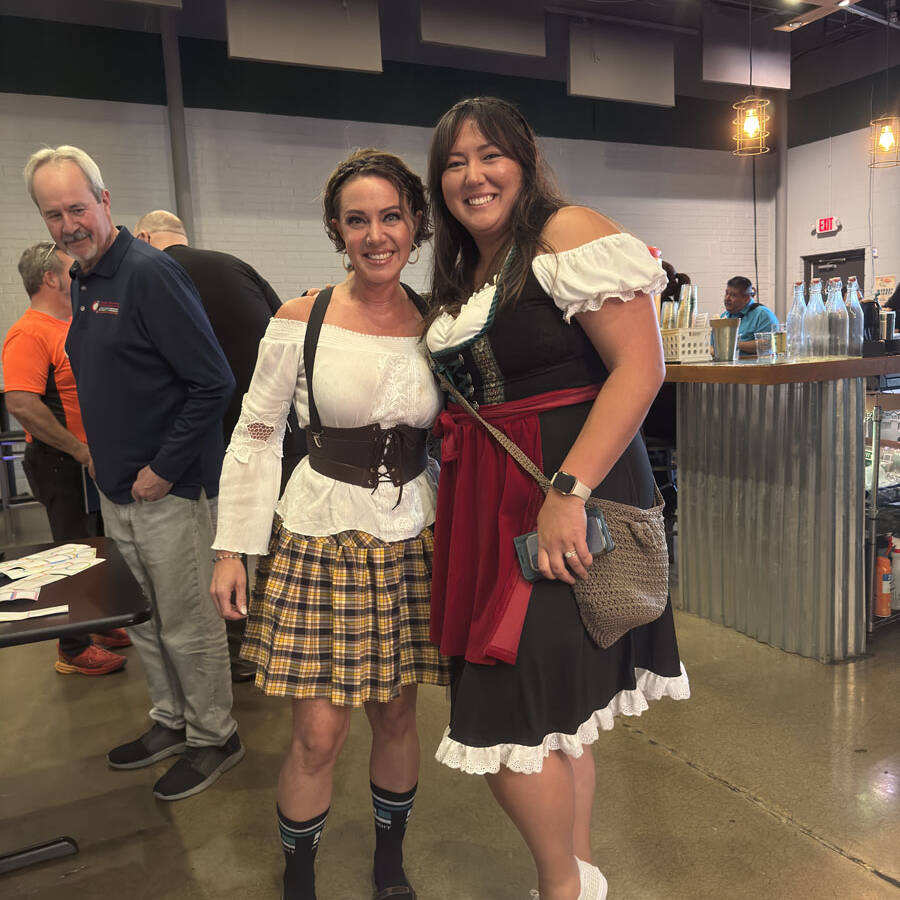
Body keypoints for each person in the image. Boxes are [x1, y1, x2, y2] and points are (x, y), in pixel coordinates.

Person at [424, 97, 690, 900]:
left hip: (562, 492)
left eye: (490, 155)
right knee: (554, 711)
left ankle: (561, 888)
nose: (473, 176)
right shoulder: (468, 269)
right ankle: (578, 877)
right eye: (455, 162)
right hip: (489, 503)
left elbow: (642, 371)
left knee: (508, 717)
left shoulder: (566, 231)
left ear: (525, 159)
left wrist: (568, 493)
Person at [210, 149, 450, 900]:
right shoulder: (300, 317)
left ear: (416, 223)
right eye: (357, 220)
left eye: (390, 217)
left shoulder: (439, 322)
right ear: (337, 231)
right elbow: (253, 433)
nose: (376, 234)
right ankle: (300, 878)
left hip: (413, 533)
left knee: (398, 715)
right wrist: (231, 550)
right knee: (318, 734)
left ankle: (389, 864)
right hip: (319, 536)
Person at [24, 145, 243, 801]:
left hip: (169, 492)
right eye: (53, 213)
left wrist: (162, 468)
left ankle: (214, 735)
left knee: (187, 624)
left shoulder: (149, 274)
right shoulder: (84, 279)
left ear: (104, 202)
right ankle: (170, 721)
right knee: (144, 621)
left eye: (78, 208)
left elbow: (213, 383)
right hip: (118, 491)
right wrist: (99, 459)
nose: (68, 224)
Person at [134, 209, 307, 683]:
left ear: (146, 237)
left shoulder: (149, 276)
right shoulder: (235, 266)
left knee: (218, 549)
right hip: (278, 430)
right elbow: (287, 329)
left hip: (206, 438)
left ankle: (233, 646)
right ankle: (278, 643)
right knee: (275, 541)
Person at [3, 241, 130, 675]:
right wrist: (78, 450)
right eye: (70, 269)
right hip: (62, 462)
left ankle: (97, 622)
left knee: (96, 549)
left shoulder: (70, 324)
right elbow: (21, 402)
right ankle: (72, 649)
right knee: (71, 553)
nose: (79, 274)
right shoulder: (30, 331)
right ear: (52, 278)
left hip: (87, 461)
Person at [721, 275, 778, 356]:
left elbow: (768, 344)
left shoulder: (762, 314)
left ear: (746, 298)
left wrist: (734, 345)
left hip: (755, 366)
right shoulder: (724, 316)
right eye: (726, 293)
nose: (727, 298)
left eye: (733, 295)